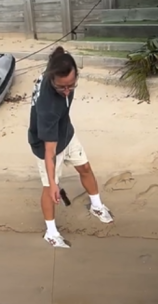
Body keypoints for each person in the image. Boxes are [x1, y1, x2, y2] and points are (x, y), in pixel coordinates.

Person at [27, 46, 113, 249]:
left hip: (66, 132)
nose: (66, 91)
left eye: (71, 86)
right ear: (51, 79)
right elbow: (50, 152)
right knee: (49, 188)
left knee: (84, 167)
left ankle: (97, 206)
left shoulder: (57, 64)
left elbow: (59, 51)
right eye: (61, 87)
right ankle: (51, 232)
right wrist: (54, 184)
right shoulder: (48, 107)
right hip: (46, 143)